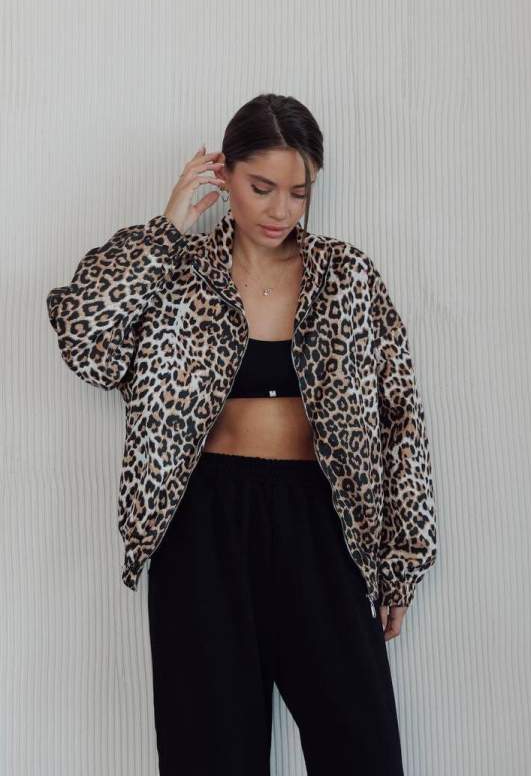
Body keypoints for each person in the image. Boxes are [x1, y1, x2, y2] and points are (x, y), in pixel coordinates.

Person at [46, 93, 437, 776]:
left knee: (363, 750)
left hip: (324, 524)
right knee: (210, 756)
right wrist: (166, 228)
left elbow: (400, 416)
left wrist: (402, 561)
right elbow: (83, 336)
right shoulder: (179, 274)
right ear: (223, 175)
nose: (281, 210)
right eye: (262, 188)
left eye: (298, 193)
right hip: (202, 527)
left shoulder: (347, 275)